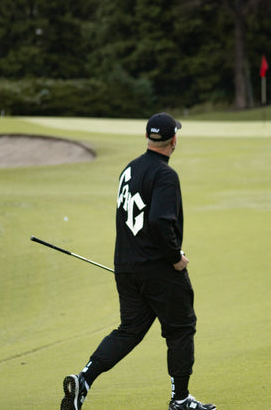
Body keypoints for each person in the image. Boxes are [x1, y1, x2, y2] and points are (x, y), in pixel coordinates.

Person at [60, 112, 216, 410]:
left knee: (129, 330)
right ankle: (181, 400)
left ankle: (85, 379)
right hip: (159, 269)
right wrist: (175, 258)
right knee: (181, 328)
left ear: (148, 138)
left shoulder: (128, 169)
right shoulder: (165, 175)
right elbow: (159, 222)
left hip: (127, 268)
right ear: (174, 140)